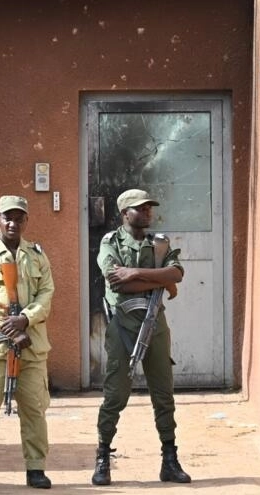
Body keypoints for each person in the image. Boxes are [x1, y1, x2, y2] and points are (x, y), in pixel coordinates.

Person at [91, 188, 191, 486]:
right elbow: (114, 282)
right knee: (116, 395)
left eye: (149, 207)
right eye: (141, 208)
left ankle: (170, 460)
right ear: (125, 213)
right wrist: (155, 280)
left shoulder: (159, 243)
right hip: (122, 326)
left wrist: (134, 273)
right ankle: (103, 457)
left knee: (163, 394)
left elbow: (176, 273)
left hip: (155, 324)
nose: (148, 212)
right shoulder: (110, 242)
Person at [0, 195, 55, 491]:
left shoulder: (38, 255)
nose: (12, 223)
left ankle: (35, 469)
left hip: (31, 343)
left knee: (34, 409)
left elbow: (46, 294)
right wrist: (10, 329)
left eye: (19, 218)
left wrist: (25, 320)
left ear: (26, 221)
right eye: (7, 217)